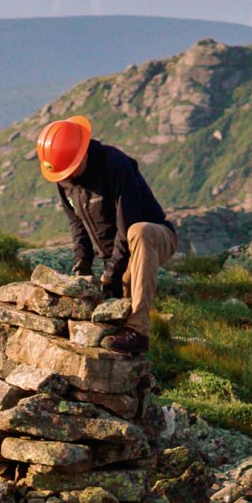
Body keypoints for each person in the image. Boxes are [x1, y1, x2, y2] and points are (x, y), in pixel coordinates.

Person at [35, 114, 175, 357]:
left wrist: (111, 273)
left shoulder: (115, 164)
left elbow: (127, 222)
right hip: (114, 255)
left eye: (69, 170)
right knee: (115, 308)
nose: (66, 177)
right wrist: (82, 268)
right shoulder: (65, 178)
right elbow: (77, 225)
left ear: (82, 153)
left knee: (138, 232)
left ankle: (139, 332)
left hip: (154, 237)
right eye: (61, 174)